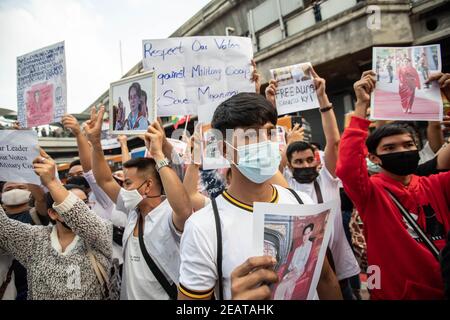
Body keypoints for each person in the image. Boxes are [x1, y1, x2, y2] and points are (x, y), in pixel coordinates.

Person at [178, 93, 342, 300]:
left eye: (270, 132)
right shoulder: (203, 228)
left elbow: (325, 279)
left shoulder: (301, 202)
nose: (265, 143)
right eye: (250, 135)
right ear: (225, 148)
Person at [335, 70, 450, 299]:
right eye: (389, 148)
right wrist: (361, 107)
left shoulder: (437, 183)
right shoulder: (370, 192)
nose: (402, 151)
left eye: (408, 145)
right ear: (374, 158)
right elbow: (347, 166)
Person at [270, 68, 360, 299]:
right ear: (289, 166)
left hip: (337, 267)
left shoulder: (327, 178)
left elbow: (334, 141)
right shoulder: (285, 182)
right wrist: (272, 110)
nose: (305, 164)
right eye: (298, 161)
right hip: (301, 270)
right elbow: (272, 163)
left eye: (310, 159)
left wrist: (322, 97)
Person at [84, 106, 192, 300]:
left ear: (148, 186)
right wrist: (95, 143)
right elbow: (105, 180)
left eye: (127, 183)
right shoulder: (132, 210)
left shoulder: (169, 214)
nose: (122, 189)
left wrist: (158, 154)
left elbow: (184, 208)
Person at [0, 150, 112, 299]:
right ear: (53, 213)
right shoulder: (35, 238)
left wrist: (52, 182)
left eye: (84, 204)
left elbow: (84, 220)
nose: (78, 210)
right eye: (72, 204)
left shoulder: (101, 233)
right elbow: (3, 228)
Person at [274, 223, 314, 300]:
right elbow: (292, 263)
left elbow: (304, 261)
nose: (305, 236)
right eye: (304, 234)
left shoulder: (310, 245)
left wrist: (295, 269)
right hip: (292, 270)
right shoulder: (297, 249)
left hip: (300, 270)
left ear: (311, 233)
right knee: (283, 285)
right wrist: (291, 271)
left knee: (284, 285)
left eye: (308, 233)